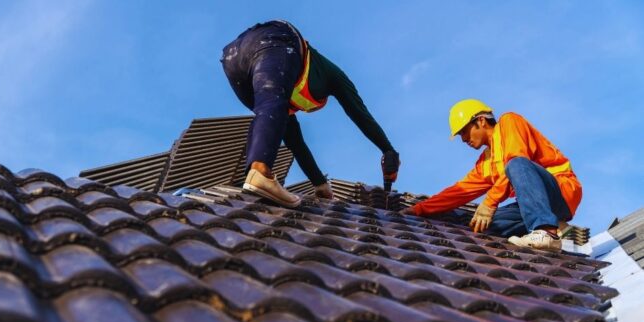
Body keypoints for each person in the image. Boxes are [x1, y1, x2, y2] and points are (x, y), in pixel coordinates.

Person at [221, 20, 401, 207]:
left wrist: (319, 183)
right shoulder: (333, 75)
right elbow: (360, 114)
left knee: (270, 117)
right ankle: (260, 171)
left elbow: (296, 143)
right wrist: (388, 150)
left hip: (233, 58)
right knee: (272, 106)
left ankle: (253, 178)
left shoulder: (282, 98)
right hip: (275, 40)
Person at [402, 99, 582, 252]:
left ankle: (547, 231)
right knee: (484, 226)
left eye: (464, 131)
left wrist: (489, 203)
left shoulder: (509, 122)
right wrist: (419, 209)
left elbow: (517, 160)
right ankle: (556, 228)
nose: (463, 139)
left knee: (516, 163)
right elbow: (459, 191)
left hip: (560, 190)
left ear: (480, 121)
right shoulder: (486, 162)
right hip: (533, 204)